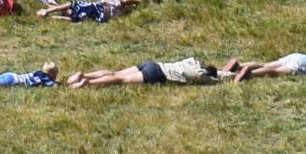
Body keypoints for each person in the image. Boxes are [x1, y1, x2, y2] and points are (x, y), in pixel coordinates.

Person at [66, 54, 220, 88]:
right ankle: (88, 83)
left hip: (152, 64)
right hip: (158, 74)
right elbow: (215, 80)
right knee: (121, 80)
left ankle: (85, 74)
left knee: (116, 73)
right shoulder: (201, 76)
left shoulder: (191, 62)